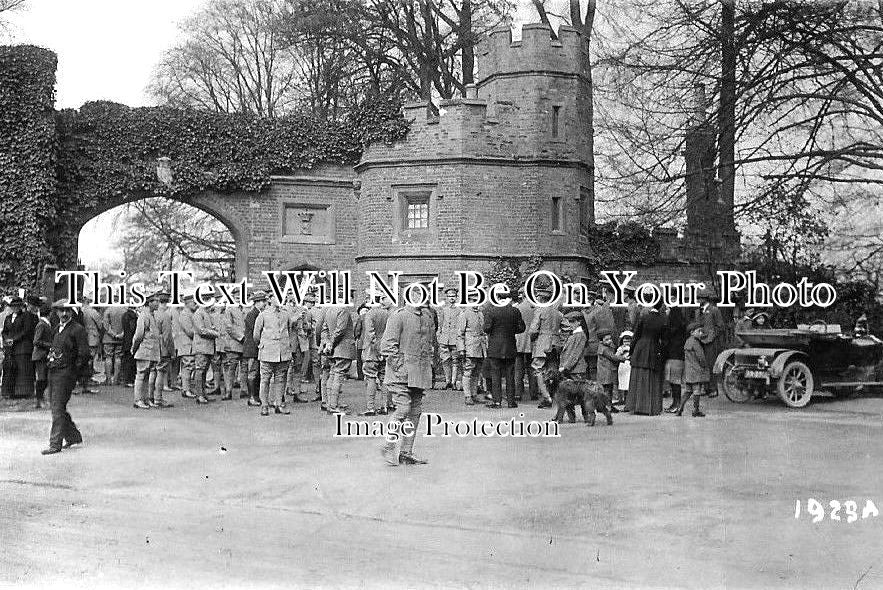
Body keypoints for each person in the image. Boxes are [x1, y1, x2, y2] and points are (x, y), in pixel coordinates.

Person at [380, 291, 434, 466]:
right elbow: (388, 345)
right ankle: (388, 447)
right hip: (400, 374)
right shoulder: (399, 316)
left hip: (419, 373)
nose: (419, 298)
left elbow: (429, 343)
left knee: (415, 412)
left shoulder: (427, 316)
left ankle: (406, 453)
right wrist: (399, 367)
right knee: (403, 410)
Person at [41, 300, 90, 455]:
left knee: (57, 408)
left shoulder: (77, 329)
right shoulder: (57, 329)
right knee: (57, 406)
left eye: (67, 310)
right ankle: (73, 436)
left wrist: (73, 372)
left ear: (72, 311)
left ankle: (55, 444)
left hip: (66, 374)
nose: (64, 314)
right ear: (56, 312)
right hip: (54, 372)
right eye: (61, 311)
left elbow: (84, 354)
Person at [483, 296, 526, 409]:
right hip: (510, 346)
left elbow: (486, 328)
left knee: (495, 375)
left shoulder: (491, 311)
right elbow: (521, 328)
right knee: (510, 374)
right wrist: (511, 330)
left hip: (495, 347)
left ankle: (497, 401)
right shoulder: (515, 311)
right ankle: (511, 402)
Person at [253, 295, 293, 416]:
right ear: (270, 300)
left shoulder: (286, 315)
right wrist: (264, 345)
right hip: (267, 353)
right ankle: (264, 405)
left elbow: (289, 331)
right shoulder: (263, 315)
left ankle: (278, 404)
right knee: (265, 380)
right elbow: (256, 335)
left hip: (282, 352)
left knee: (280, 379)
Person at [626, 300, 666, 416]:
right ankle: (650, 407)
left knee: (638, 376)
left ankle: (636, 406)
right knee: (652, 377)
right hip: (654, 347)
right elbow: (664, 340)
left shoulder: (644, 317)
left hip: (640, 347)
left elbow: (636, 335)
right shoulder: (663, 320)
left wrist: (631, 350)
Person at [528, 287, 562, 409]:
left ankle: (546, 397)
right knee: (552, 371)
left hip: (542, 343)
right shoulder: (558, 313)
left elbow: (533, 330)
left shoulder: (540, 311)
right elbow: (567, 327)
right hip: (555, 344)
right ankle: (554, 395)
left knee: (538, 370)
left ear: (541, 298)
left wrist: (533, 338)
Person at [132, 292, 167, 409]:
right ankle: (138, 400)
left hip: (151, 351)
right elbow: (138, 335)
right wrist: (134, 348)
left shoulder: (151, 315)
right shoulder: (144, 315)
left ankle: (145, 399)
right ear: (149, 302)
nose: (158, 303)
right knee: (141, 375)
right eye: (155, 301)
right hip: (144, 350)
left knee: (147, 376)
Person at [360, 289, 392, 415]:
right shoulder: (388, 314)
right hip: (385, 350)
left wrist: (377, 350)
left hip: (371, 351)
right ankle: (384, 406)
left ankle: (370, 408)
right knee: (384, 378)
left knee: (371, 378)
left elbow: (370, 334)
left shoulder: (370, 314)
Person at [323, 296, 356, 415]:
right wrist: (331, 343)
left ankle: (329, 403)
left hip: (332, 349)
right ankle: (333, 406)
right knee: (338, 376)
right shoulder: (343, 310)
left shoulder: (330, 310)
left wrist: (327, 343)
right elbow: (340, 330)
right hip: (343, 348)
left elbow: (324, 329)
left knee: (332, 374)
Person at [2, 296, 37, 399]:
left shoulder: (26, 316)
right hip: (11, 348)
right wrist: (6, 339)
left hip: (23, 347)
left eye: (17, 306)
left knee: (23, 370)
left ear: (21, 307)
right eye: (13, 306)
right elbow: (5, 331)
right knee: (11, 369)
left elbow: (26, 331)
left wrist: (14, 339)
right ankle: (10, 392)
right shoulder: (8, 318)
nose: (15, 308)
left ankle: (24, 392)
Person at [457, 298, 486, 406]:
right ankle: (467, 395)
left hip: (480, 346)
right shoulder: (464, 314)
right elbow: (460, 334)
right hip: (470, 347)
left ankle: (474, 394)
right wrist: (461, 349)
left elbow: (483, 331)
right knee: (468, 370)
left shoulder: (480, 313)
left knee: (477, 371)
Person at [677, 321, 709, 417]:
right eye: (699, 331)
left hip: (688, 371)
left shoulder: (687, 341)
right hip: (696, 370)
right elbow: (701, 357)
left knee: (688, 390)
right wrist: (705, 366)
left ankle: (680, 408)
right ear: (692, 332)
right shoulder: (696, 343)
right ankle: (696, 410)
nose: (701, 333)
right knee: (697, 390)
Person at [242, 290, 267, 407]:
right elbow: (256, 332)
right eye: (263, 301)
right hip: (252, 348)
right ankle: (252, 397)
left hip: (255, 348)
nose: (265, 303)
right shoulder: (252, 315)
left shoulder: (257, 313)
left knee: (256, 373)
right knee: (252, 373)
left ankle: (255, 396)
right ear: (258, 302)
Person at [191, 302, 219, 405]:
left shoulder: (204, 313)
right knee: (200, 371)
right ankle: (200, 395)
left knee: (203, 371)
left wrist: (213, 329)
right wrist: (215, 333)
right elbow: (201, 330)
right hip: (202, 347)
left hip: (206, 347)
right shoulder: (199, 313)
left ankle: (202, 394)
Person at [436, 288, 462, 391]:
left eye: (453, 296)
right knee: (445, 360)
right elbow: (440, 325)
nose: (451, 298)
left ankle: (453, 381)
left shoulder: (460, 310)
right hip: (444, 338)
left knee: (455, 360)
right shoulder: (443, 310)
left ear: (456, 297)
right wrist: (439, 336)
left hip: (455, 339)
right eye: (449, 296)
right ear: (446, 298)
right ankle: (447, 381)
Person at [223, 294, 248, 401]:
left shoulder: (247, 310)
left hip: (245, 344)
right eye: (237, 297)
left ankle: (244, 389)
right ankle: (228, 391)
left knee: (244, 367)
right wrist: (241, 337)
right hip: (233, 343)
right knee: (231, 368)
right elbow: (229, 327)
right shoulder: (229, 310)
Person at [663, 306, 688, 413]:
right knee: (675, 382)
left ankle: (677, 404)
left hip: (673, 356)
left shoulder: (671, 329)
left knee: (674, 382)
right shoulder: (683, 327)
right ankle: (676, 403)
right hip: (680, 357)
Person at [153, 291, 175, 405]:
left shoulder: (153, 314)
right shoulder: (165, 316)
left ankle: (151, 397)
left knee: (152, 372)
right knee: (161, 373)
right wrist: (172, 351)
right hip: (163, 348)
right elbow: (167, 337)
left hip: (152, 347)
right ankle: (158, 398)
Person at [514, 290, 537, 401]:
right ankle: (534, 393)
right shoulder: (536, 308)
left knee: (518, 369)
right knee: (532, 368)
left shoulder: (518, 307)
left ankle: (518, 393)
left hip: (519, 341)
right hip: (532, 341)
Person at [173, 294, 197, 400]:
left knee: (188, 367)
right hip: (187, 344)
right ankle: (186, 389)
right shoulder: (185, 314)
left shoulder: (188, 313)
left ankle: (186, 388)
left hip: (188, 344)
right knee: (188, 366)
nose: (195, 304)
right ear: (187, 303)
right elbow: (189, 331)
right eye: (193, 302)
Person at [596, 329, 626, 412]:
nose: (609, 341)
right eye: (607, 339)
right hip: (606, 373)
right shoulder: (604, 349)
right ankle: (606, 407)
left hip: (606, 372)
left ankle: (606, 406)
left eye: (610, 339)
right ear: (601, 340)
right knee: (607, 391)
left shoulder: (605, 347)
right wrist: (623, 358)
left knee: (608, 390)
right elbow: (612, 357)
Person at [77, 295, 102, 394]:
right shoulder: (92, 312)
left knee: (84, 358)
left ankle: (84, 377)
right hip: (92, 336)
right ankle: (88, 377)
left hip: (84, 336)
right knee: (90, 358)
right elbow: (100, 325)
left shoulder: (81, 311)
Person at [31, 297, 52, 409]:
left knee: (45, 378)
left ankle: (41, 399)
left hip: (43, 355)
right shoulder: (41, 325)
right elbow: (36, 341)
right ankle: (39, 400)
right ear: (49, 314)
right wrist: (49, 345)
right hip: (40, 355)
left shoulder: (45, 324)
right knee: (42, 378)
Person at [102, 302, 127, 386]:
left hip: (109, 338)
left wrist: (112, 334)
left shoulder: (108, 310)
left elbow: (106, 325)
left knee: (108, 357)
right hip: (121, 338)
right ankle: (116, 379)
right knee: (118, 357)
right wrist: (121, 334)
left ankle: (108, 380)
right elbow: (126, 325)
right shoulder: (124, 310)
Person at [559, 311, 588, 380]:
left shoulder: (580, 335)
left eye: (572, 322)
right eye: (569, 322)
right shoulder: (573, 334)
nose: (570, 324)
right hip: (570, 370)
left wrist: (565, 367)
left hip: (576, 370)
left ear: (579, 322)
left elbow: (576, 353)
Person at [120, 306, 138, 387]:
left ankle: (125, 379)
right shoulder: (133, 316)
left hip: (126, 340)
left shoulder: (124, 315)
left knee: (126, 361)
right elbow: (132, 329)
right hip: (131, 341)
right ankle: (129, 380)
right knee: (131, 362)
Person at [615, 331, 632, 406]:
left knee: (628, 382)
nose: (626, 343)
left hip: (629, 366)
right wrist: (621, 352)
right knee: (622, 383)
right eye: (625, 341)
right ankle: (621, 398)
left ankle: (628, 400)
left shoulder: (632, 348)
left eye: (628, 341)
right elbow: (616, 356)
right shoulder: (620, 348)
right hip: (622, 366)